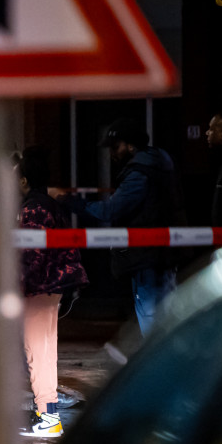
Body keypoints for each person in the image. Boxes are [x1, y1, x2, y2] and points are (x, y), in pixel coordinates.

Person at [60, 118, 183, 336]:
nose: (112, 154)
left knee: (151, 317)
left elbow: (111, 210)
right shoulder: (159, 163)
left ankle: (158, 366)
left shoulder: (140, 172)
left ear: (130, 145)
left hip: (147, 256)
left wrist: (69, 201)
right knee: (167, 314)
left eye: (115, 147)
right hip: (164, 253)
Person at [18, 150, 88, 436]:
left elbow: (31, 253)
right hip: (54, 287)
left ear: (23, 180)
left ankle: (48, 416)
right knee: (46, 350)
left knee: (37, 352)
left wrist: (18, 284)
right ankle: (48, 414)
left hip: (38, 287)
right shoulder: (51, 206)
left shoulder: (32, 209)